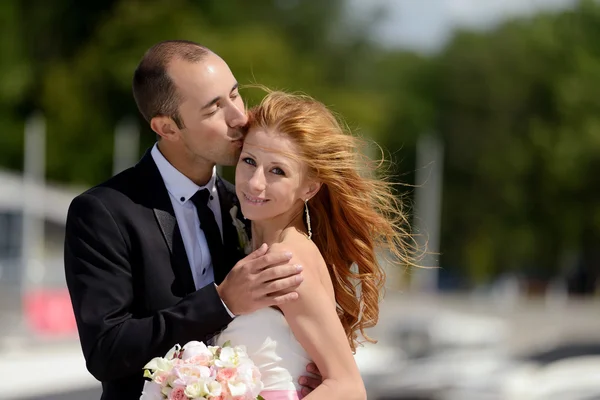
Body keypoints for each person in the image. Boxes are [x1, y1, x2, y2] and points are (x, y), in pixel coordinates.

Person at [63, 41, 321, 400]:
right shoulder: (102, 213)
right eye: (215, 108)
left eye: (235, 95)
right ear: (167, 128)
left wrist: (303, 375)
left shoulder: (251, 205)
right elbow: (106, 351)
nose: (240, 117)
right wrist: (222, 301)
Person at [212, 88, 416, 399]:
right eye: (249, 161)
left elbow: (348, 388)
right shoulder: (257, 249)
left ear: (309, 187)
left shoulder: (285, 260)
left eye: (277, 171)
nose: (255, 182)